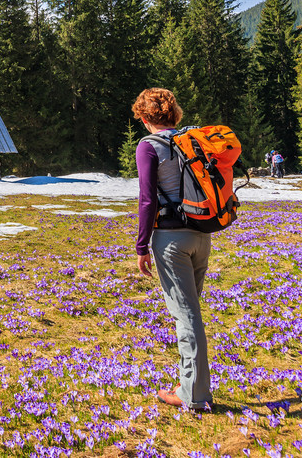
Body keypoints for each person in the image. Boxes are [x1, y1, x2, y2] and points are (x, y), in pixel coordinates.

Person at [132, 88, 213, 412]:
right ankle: (187, 381)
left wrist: (141, 246)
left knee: (186, 317)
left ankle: (193, 394)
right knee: (190, 313)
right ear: (173, 113)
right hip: (201, 236)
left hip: (171, 241)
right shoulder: (190, 141)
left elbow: (148, 199)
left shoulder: (149, 147)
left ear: (145, 115)